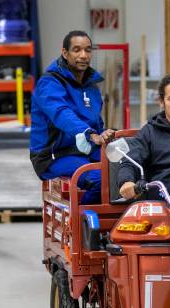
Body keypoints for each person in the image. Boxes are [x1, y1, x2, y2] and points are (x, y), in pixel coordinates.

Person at [30, 30, 114, 204]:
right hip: (55, 156)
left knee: (124, 171)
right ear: (65, 53)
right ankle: (82, 226)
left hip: (85, 150)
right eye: (77, 50)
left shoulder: (91, 88)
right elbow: (61, 113)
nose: (83, 55)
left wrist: (105, 134)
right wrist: (88, 133)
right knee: (101, 179)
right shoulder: (49, 83)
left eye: (88, 50)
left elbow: (97, 123)